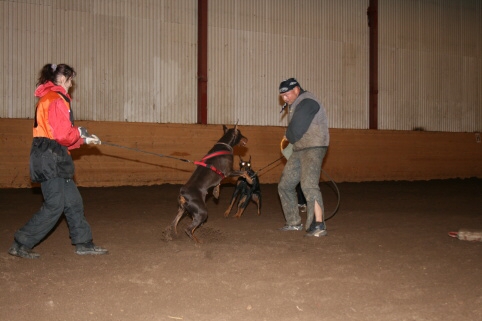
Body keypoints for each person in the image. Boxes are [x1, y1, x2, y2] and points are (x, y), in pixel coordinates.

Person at [8, 63, 108, 259]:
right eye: (71, 81)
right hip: (50, 159)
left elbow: (57, 136)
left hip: (53, 156)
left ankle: (83, 242)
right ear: (63, 79)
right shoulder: (56, 99)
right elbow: (62, 135)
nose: (71, 85)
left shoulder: (50, 98)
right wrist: (79, 131)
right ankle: (21, 242)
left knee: (73, 202)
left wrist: (83, 139)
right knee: (55, 205)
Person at [277, 78, 329, 237]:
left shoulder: (308, 102)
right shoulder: (295, 104)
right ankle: (293, 222)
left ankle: (318, 225)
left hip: (314, 147)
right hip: (299, 148)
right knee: (285, 185)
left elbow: (296, 129)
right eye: (282, 96)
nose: (285, 99)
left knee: (309, 184)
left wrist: (287, 135)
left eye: (287, 95)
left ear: (297, 89)